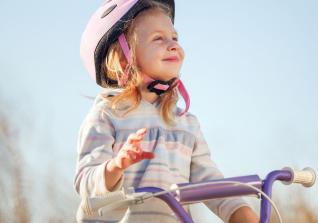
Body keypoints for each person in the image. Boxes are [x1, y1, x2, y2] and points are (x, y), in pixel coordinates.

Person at [74, 0, 259, 222]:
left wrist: (239, 211)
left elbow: (209, 181)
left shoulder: (186, 123)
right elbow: (86, 182)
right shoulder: (107, 115)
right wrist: (116, 166)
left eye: (175, 38)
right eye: (158, 38)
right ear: (124, 57)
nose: (173, 45)